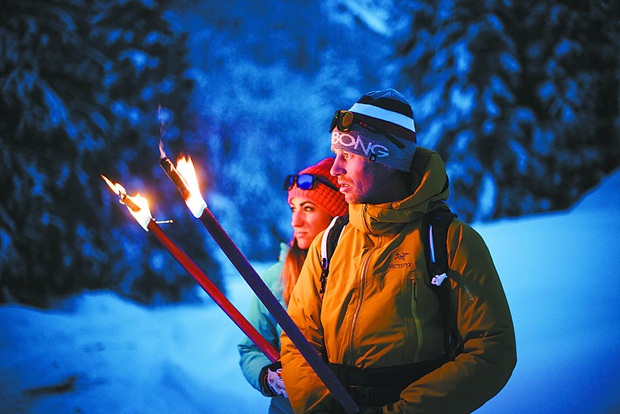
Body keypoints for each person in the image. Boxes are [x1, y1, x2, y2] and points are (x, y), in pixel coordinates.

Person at [280, 89, 517, 413]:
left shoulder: (447, 241)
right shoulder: (330, 242)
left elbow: (491, 350)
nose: (335, 170)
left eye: (347, 156)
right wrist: (320, 407)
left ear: (387, 160)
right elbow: (297, 339)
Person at [238, 158, 348, 414]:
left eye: (308, 208)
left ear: (337, 216)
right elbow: (251, 346)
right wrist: (267, 376)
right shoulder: (276, 279)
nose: (295, 221)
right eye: (293, 208)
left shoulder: (359, 272)